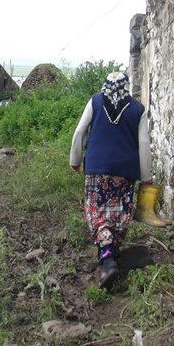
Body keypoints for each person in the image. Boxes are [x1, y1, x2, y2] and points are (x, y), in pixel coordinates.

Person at [69, 72, 152, 288]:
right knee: (119, 214)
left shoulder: (95, 101)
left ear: (104, 85)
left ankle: (107, 259)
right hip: (125, 171)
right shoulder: (138, 108)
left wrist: (75, 159)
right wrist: (146, 178)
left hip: (97, 167)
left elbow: (80, 132)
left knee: (96, 211)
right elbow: (143, 143)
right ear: (127, 86)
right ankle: (110, 256)